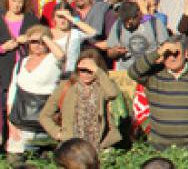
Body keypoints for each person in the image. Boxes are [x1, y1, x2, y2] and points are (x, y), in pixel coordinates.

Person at [129, 38, 188, 152]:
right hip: (159, 145)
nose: (172, 57)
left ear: (186, 54)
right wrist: (157, 52)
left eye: (176, 53)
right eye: (167, 54)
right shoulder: (153, 76)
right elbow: (133, 72)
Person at [38, 50, 121, 150]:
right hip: (72, 145)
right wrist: (58, 134)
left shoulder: (102, 86)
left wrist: (98, 71)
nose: (86, 74)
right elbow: (44, 116)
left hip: (99, 145)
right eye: (82, 70)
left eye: (90, 71)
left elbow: (113, 94)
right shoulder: (66, 86)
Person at [6, 25, 65, 155]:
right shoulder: (22, 62)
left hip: (45, 125)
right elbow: (12, 93)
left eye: (42, 42)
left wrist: (44, 36)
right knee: (15, 160)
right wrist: (11, 124)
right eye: (33, 42)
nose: (38, 45)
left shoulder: (53, 60)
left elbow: (61, 56)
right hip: (20, 124)